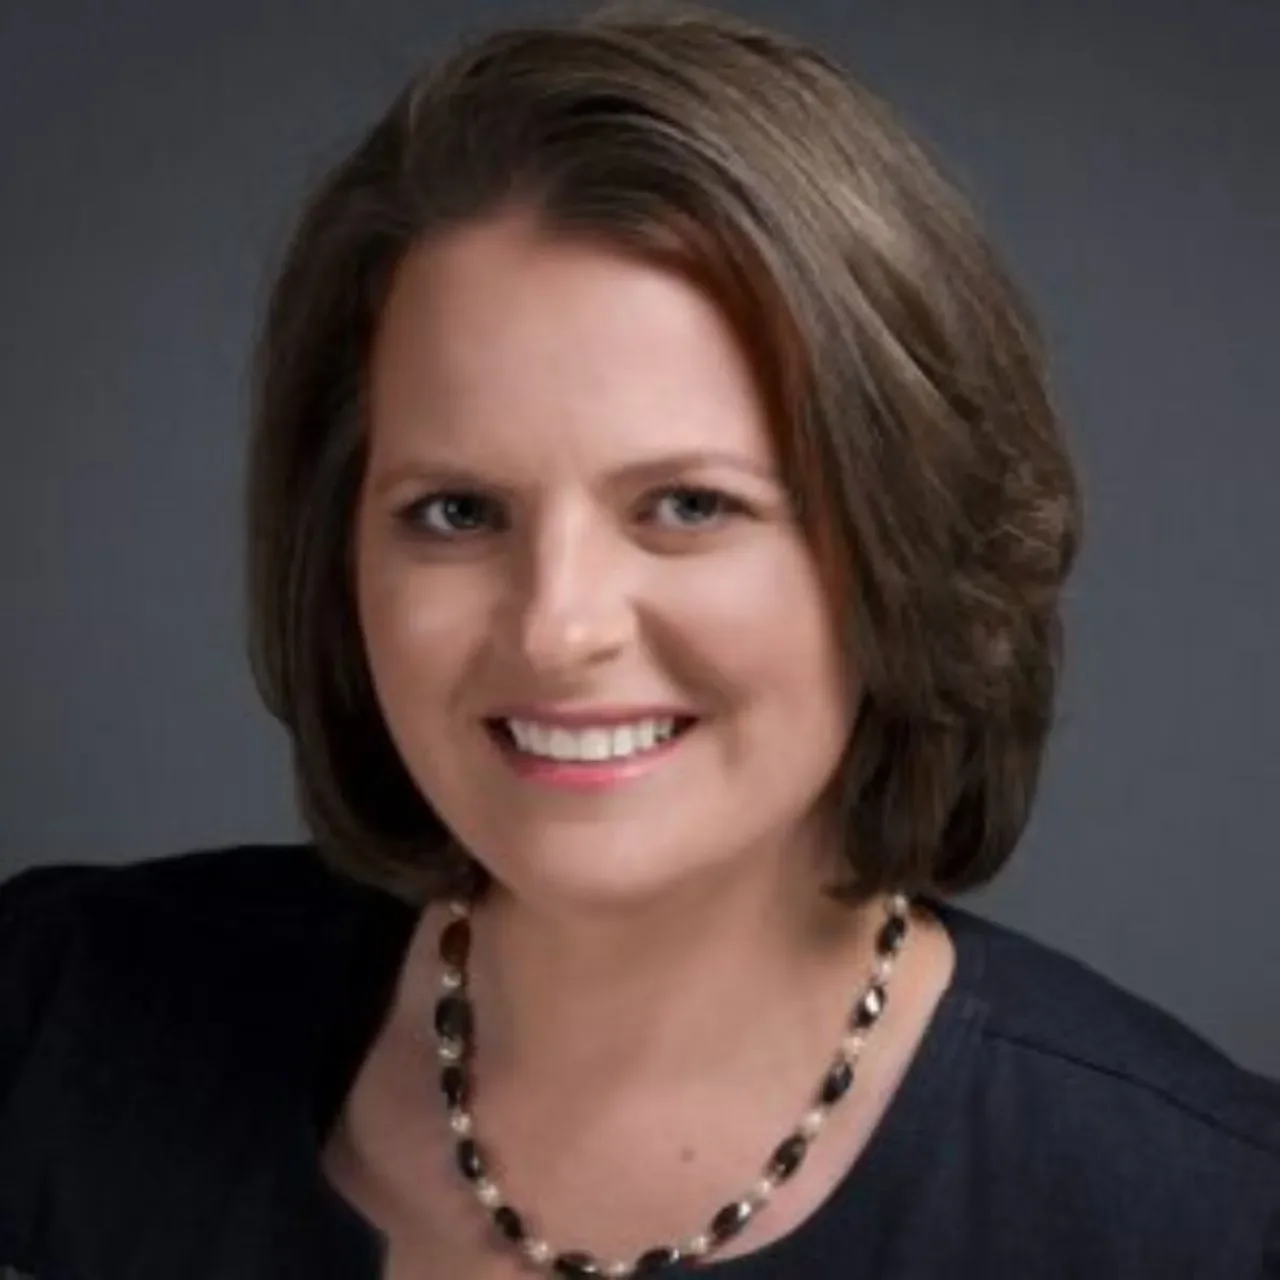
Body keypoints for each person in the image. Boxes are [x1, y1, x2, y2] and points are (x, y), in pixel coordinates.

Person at [2, 2, 1277, 1277]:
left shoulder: (1196, 1217)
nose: (556, 628)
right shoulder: (48, 1025)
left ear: (908, 547)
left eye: (687, 505)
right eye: (454, 511)